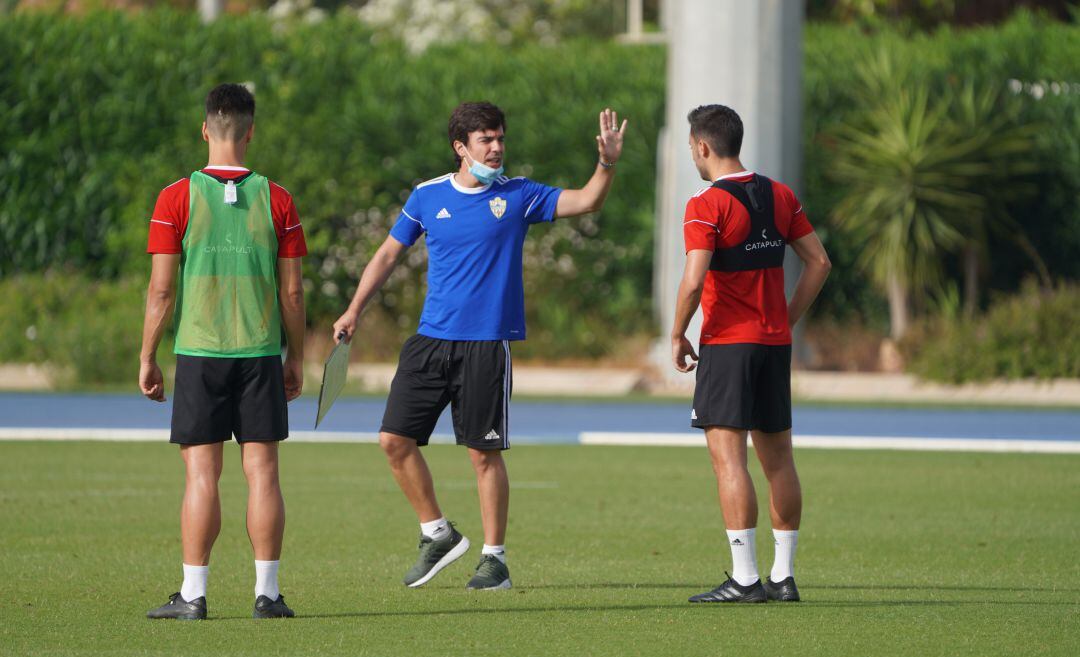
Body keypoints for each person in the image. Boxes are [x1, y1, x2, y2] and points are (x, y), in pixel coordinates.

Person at [333, 102, 627, 590]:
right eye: (486, 140)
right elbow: (388, 253)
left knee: (482, 454)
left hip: (487, 345)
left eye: (501, 139)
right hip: (430, 342)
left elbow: (588, 201)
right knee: (393, 441)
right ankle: (437, 534)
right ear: (460, 148)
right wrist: (354, 310)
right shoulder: (427, 196)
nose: (496, 148)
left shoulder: (519, 195)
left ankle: (495, 560)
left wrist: (607, 162)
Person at [139, 83, 308, 619]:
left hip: (199, 352)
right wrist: (296, 355)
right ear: (251, 131)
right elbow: (293, 293)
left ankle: (193, 595)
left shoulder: (176, 197)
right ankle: (268, 595)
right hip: (259, 353)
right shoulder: (278, 198)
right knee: (263, 473)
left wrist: (147, 356)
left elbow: (162, 292)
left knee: (201, 476)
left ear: (205, 129)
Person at [670, 104, 831, 603]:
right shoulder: (779, 194)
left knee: (729, 461)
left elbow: (694, 280)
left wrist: (676, 334)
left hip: (728, 345)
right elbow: (819, 263)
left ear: (702, 146)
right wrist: (785, 318)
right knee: (779, 461)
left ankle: (744, 578)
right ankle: (783, 577)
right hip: (772, 345)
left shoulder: (705, 203)